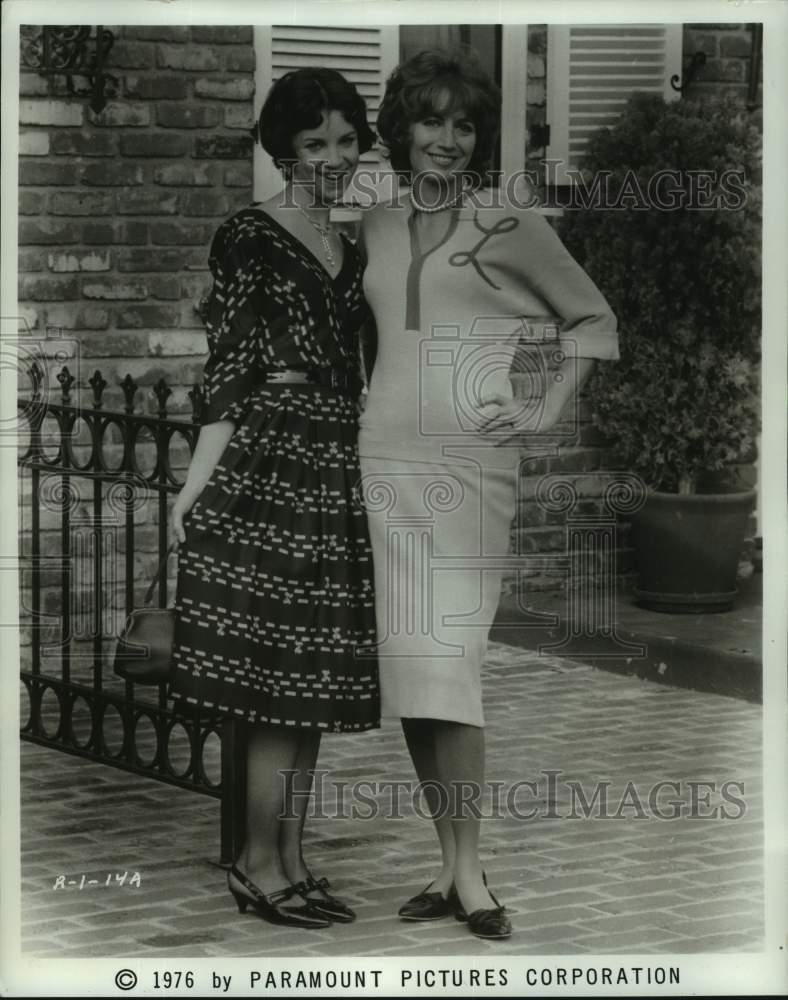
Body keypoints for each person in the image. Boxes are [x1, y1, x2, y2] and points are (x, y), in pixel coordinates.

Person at [357, 49, 619, 940]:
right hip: (383, 463)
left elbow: (593, 318)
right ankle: (445, 863)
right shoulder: (378, 223)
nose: (448, 140)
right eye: (431, 120)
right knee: (415, 671)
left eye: (465, 125)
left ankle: (472, 875)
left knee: (453, 666)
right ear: (401, 128)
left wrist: (544, 407)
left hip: (471, 468)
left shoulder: (509, 220)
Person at [168, 67, 379, 929]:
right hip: (271, 460)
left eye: (343, 141)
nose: (331, 158)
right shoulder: (248, 236)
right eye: (311, 145)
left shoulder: (349, 245)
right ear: (283, 152)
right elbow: (228, 372)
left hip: (332, 460)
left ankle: (291, 860)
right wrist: (194, 485)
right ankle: (257, 865)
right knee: (273, 682)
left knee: (310, 679)